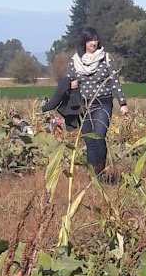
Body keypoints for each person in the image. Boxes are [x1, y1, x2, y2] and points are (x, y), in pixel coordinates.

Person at [44, 29, 127, 174]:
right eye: (89, 41)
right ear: (84, 43)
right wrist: (70, 85)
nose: (93, 43)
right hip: (83, 105)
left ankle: (100, 169)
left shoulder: (106, 58)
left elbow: (114, 81)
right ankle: (93, 173)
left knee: (99, 136)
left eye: (95, 40)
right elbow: (68, 79)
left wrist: (122, 103)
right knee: (89, 141)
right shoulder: (75, 61)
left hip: (102, 103)